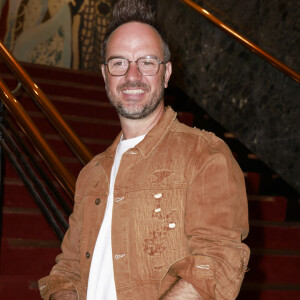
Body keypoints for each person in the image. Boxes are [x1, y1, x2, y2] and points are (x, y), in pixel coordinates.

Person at [38, 0, 250, 299]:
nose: (132, 75)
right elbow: (67, 272)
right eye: (119, 62)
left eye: (147, 62)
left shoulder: (206, 154)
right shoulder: (91, 174)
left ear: (166, 74)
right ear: (104, 75)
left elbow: (215, 264)